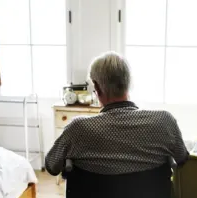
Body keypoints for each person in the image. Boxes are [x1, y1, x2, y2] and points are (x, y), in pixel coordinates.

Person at [45, 51, 189, 176]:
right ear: (128, 83)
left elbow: (51, 166)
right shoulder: (164, 121)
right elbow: (182, 158)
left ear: (97, 88)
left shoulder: (77, 128)